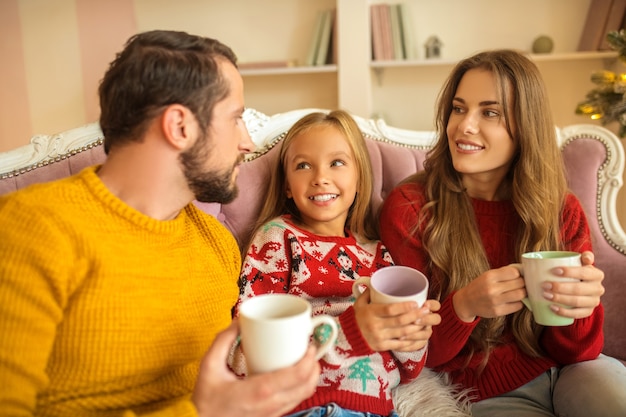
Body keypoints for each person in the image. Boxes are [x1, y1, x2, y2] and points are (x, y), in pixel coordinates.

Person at [0, 30, 321, 417]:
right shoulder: (33, 226)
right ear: (180, 126)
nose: (248, 142)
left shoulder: (214, 244)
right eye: (236, 119)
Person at [378, 49, 626, 417]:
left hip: (576, 371)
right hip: (483, 393)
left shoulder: (560, 209)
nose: (464, 126)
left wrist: (581, 309)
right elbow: (413, 355)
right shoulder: (411, 208)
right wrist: (464, 307)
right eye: (458, 108)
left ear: (525, 126)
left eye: (489, 112)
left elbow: (579, 353)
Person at [229, 110, 442, 417]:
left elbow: (407, 370)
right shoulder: (278, 238)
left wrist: (412, 337)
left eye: (337, 162)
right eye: (303, 166)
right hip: (303, 406)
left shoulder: (378, 255)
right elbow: (244, 354)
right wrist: (349, 332)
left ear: (359, 179)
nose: (320, 177)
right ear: (287, 185)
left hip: (377, 409)